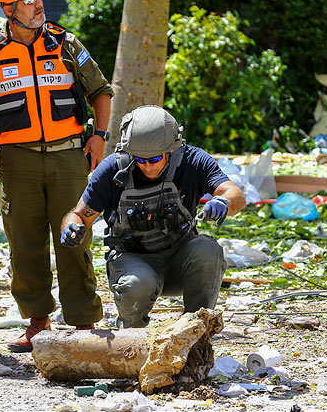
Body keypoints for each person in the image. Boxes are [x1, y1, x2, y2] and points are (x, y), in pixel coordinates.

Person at [0, 0, 113, 353]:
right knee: (24, 243)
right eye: (30, 0)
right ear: (8, 8)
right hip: (16, 161)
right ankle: (38, 321)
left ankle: (82, 321)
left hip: (68, 157)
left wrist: (100, 136)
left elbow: (100, 91)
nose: (39, 5)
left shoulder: (65, 44)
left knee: (75, 239)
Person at [60, 105, 246, 328]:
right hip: (134, 262)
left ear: (170, 150)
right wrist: (72, 227)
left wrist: (223, 202)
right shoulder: (113, 169)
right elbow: (79, 214)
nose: (147, 167)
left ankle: (197, 330)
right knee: (136, 285)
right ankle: (132, 336)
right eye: (139, 160)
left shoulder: (193, 160)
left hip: (179, 259)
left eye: (155, 159)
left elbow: (235, 194)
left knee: (209, 250)